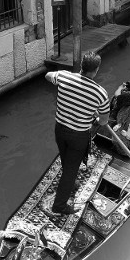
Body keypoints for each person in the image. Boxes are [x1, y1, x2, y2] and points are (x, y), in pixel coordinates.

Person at [45, 51, 110, 215]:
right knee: (71, 169)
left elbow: (48, 75)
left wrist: (59, 77)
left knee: (65, 157)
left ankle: (70, 182)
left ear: (81, 66)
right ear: (96, 70)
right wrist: (93, 116)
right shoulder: (100, 93)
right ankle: (59, 206)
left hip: (59, 129)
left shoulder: (64, 77)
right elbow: (103, 121)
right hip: (78, 135)